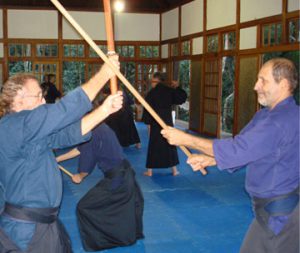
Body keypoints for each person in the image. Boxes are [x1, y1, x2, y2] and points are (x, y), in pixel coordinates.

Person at [161, 58, 299, 253]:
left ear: (283, 84)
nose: (255, 86)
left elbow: (238, 150)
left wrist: (186, 139)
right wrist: (213, 159)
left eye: (263, 80)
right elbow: (249, 148)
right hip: (267, 211)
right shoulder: (266, 116)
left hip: (281, 214)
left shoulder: (280, 120)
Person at [0, 55, 122, 253]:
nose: (43, 101)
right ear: (18, 97)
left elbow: (66, 135)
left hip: (42, 224)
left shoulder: (28, 130)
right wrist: (104, 74)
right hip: (26, 229)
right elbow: (63, 110)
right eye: (38, 95)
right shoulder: (14, 125)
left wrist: (104, 111)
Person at [56, 121, 144, 251]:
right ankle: (123, 235)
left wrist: (80, 176)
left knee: (84, 207)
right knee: (123, 205)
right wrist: (57, 159)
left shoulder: (91, 133)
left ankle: (105, 239)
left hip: (117, 179)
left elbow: (86, 161)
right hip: (126, 174)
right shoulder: (101, 126)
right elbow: (79, 149)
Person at [142, 72, 187, 177]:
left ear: (156, 81)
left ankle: (149, 171)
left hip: (155, 121)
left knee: (154, 145)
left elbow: (147, 110)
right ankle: (174, 170)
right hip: (167, 120)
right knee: (170, 143)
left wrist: (148, 123)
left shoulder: (151, 93)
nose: (151, 83)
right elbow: (182, 98)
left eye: (152, 81)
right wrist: (177, 87)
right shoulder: (169, 91)